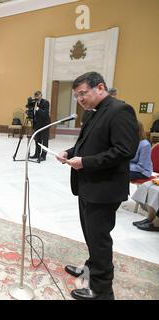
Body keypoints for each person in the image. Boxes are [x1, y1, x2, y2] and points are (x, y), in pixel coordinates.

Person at [55, 72, 138, 300]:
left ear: (100, 87)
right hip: (88, 185)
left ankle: (101, 291)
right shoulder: (92, 114)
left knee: (99, 239)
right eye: (76, 96)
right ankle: (91, 270)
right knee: (90, 235)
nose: (80, 99)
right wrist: (70, 153)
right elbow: (86, 144)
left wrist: (85, 162)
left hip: (105, 188)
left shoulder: (120, 110)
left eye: (83, 93)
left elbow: (124, 151)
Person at [30, 91, 51, 161]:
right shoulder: (34, 103)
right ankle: (37, 154)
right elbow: (34, 113)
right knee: (37, 140)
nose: (36, 97)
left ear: (41, 96)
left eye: (38, 96)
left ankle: (43, 156)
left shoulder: (45, 102)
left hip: (45, 124)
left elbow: (45, 113)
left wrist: (38, 109)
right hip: (37, 124)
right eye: (35, 96)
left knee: (44, 141)